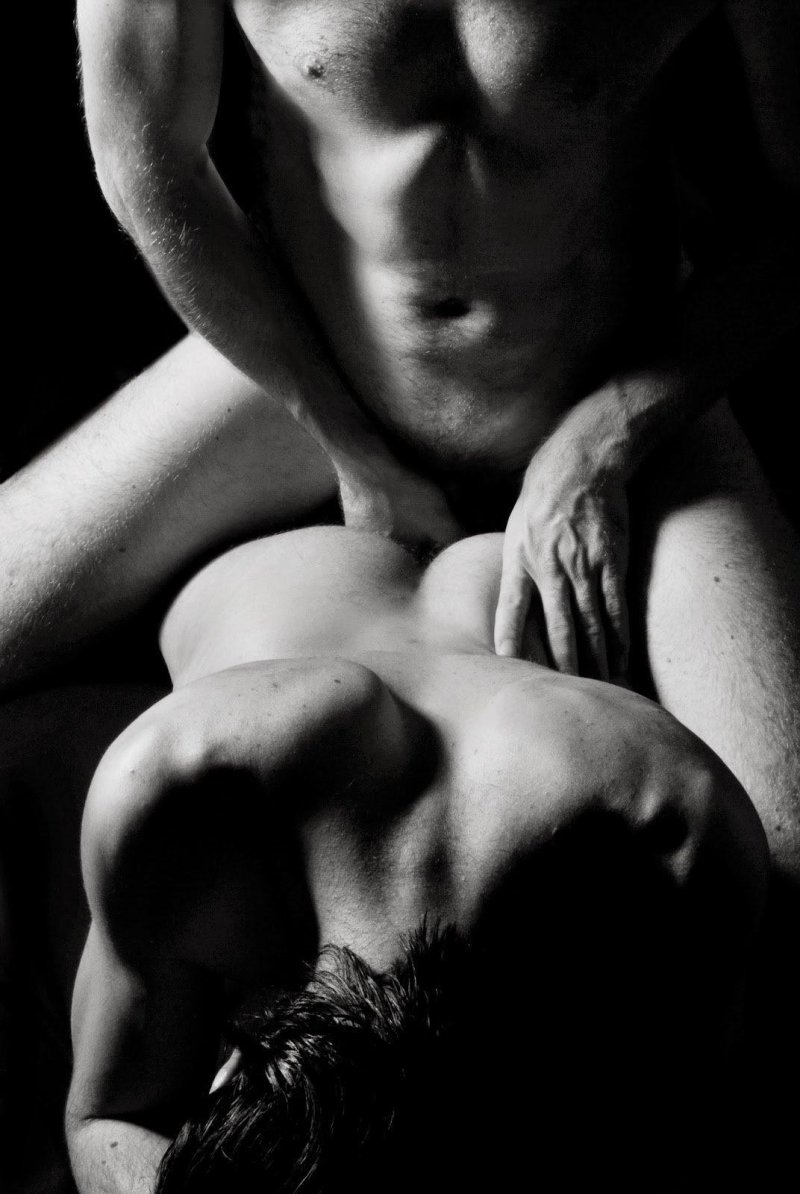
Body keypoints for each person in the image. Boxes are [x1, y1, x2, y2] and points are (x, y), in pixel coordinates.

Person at [72, 0, 800, 868]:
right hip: (300, 365)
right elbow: (144, 156)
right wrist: (349, 445)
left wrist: (599, 443)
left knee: (787, 854)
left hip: (616, 377)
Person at [63, 523, 768, 1193]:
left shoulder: (180, 791)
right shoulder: (665, 831)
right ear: (229, 1073)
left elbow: (104, 1120)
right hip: (485, 512)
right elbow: (101, 1124)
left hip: (304, 498)